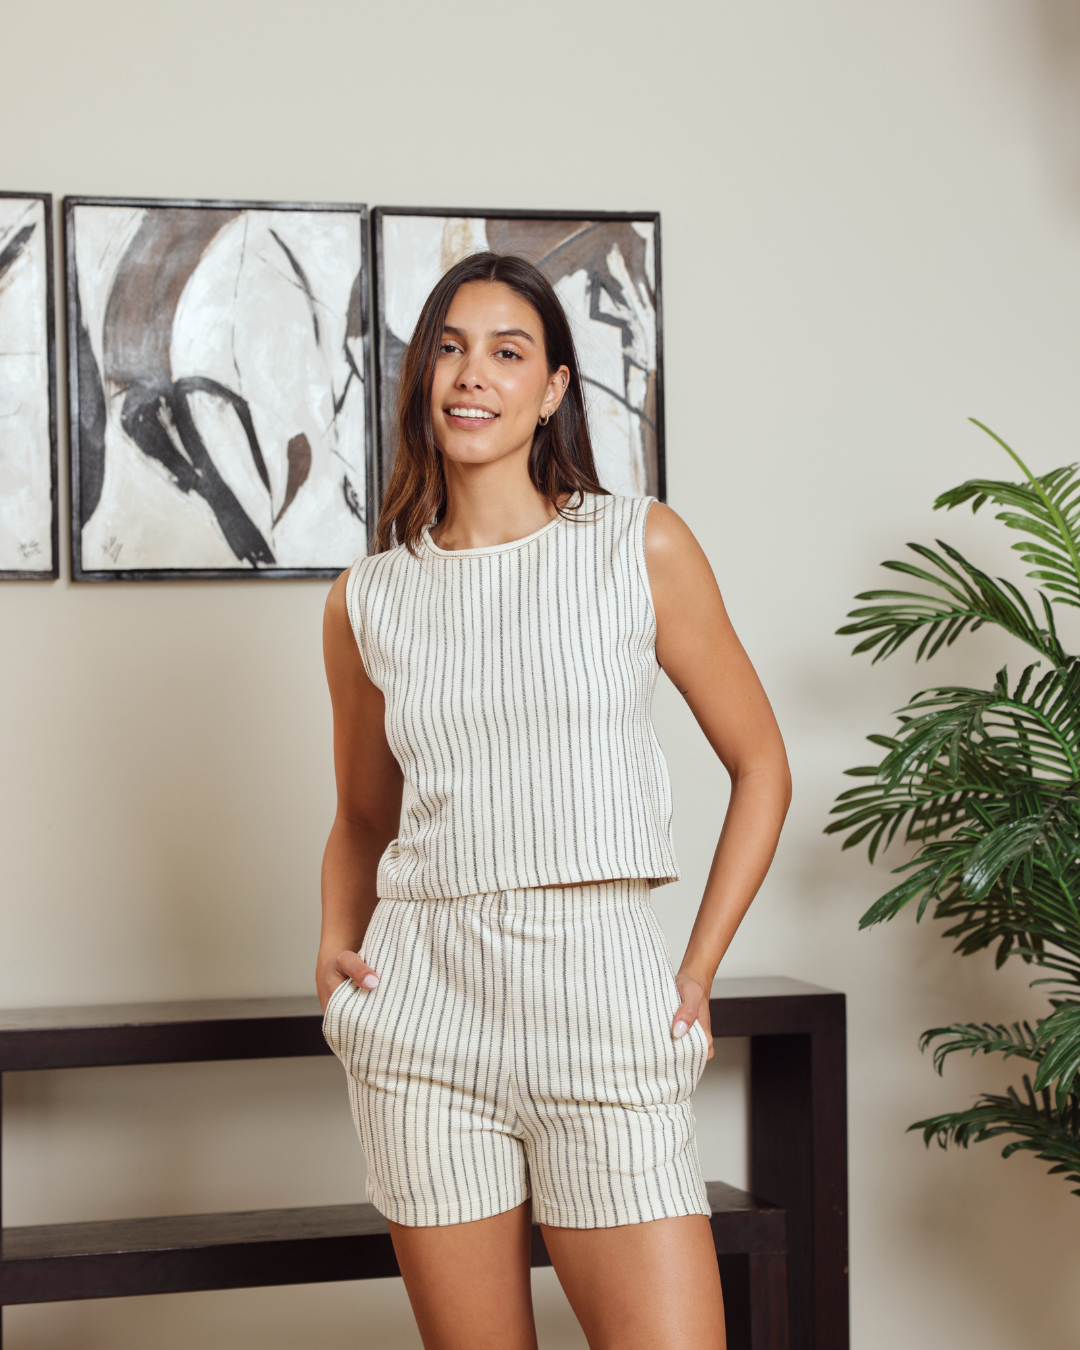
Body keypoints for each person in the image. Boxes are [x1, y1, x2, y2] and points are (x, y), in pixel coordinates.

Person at [317, 251, 791, 1350]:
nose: (471, 375)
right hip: (423, 1014)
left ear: (553, 389)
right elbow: (363, 818)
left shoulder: (639, 544)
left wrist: (694, 971)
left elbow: (762, 765)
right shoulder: (367, 598)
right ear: (420, 379)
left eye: (507, 352)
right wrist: (334, 953)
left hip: (601, 995)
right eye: (448, 349)